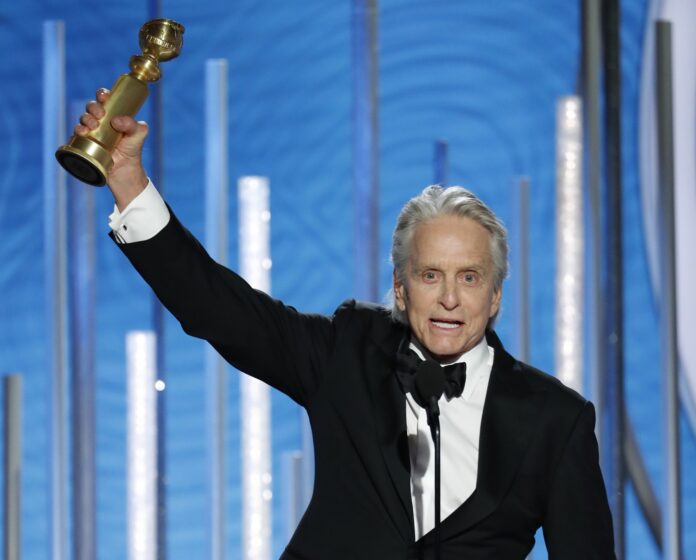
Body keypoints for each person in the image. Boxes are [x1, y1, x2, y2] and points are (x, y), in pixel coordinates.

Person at [76, 89, 616, 559]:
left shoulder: (555, 419)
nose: (449, 298)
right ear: (401, 288)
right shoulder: (350, 350)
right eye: (430, 275)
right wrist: (128, 181)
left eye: (469, 278)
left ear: (495, 294)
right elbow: (219, 309)